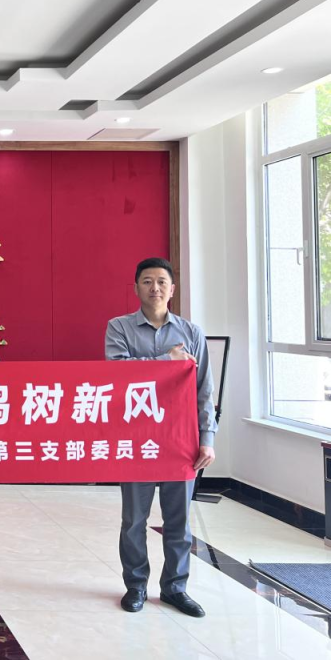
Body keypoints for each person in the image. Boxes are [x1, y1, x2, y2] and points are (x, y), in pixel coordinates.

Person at [106, 257, 216, 618]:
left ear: (172, 289)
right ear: (136, 287)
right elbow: (117, 375)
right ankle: (136, 586)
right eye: (147, 281)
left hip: (180, 440)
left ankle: (175, 588)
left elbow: (204, 390)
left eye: (162, 282)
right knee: (134, 520)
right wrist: (165, 360)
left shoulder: (192, 333)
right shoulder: (119, 328)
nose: (155, 288)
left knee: (178, 521)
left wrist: (207, 437)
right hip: (135, 438)